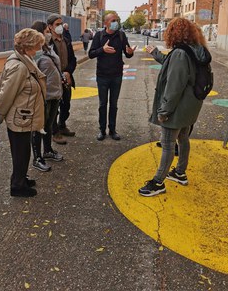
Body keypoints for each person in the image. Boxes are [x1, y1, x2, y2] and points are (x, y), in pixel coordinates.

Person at [139, 18, 212, 197]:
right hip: (191, 105)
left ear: (173, 33)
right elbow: (174, 66)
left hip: (177, 107)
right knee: (183, 138)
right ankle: (180, 172)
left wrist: (164, 111)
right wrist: (156, 53)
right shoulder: (197, 50)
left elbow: (174, 86)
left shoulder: (180, 53)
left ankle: (158, 183)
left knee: (167, 144)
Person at [0, 28, 46, 198]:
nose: (39, 49)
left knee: (23, 152)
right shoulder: (18, 66)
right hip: (19, 119)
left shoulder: (24, 60)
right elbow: (6, 94)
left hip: (23, 117)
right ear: (27, 46)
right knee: (20, 154)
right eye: (37, 45)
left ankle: (21, 179)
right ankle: (17, 186)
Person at [89, 13, 136, 141]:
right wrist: (102, 50)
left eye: (117, 20)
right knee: (102, 104)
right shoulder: (99, 36)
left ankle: (112, 130)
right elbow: (91, 54)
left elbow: (127, 54)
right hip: (102, 76)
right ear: (106, 23)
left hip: (116, 75)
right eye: (114, 20)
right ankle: (102, 130)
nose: (117, 22)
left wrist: (130, 52)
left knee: (114, 104)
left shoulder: (121, 35)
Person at [31, 21, 64, 171]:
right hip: (43, 96)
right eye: (46, 31)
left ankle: (48, 150)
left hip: (54, 94)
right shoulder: (35, 52)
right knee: (39, 127)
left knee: (49, 125)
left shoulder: (48, 48)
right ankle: (37, 157)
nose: (48, 33)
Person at [47, 14, 77, 144]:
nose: (60, 27)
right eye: (57, 24)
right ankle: (55, 132)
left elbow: (73, 59)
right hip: (54, 81)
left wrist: (69, 72)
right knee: (54, 107)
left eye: (61, 24)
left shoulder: (66, 40)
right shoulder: (47, 43)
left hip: (66, 79)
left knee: (66, 104)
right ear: (50, 27)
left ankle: (62, 125)